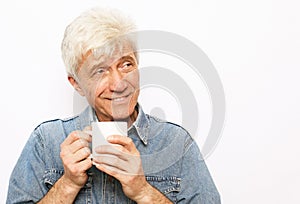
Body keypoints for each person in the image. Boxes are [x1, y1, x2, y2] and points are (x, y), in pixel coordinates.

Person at [7, 7, 220, 204]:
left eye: (126, 64)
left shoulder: (177, 143)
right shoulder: (46, 141)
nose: (119, 84)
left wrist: (143, 191)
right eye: (100, 71)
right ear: (77, 84)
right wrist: (68, 184)